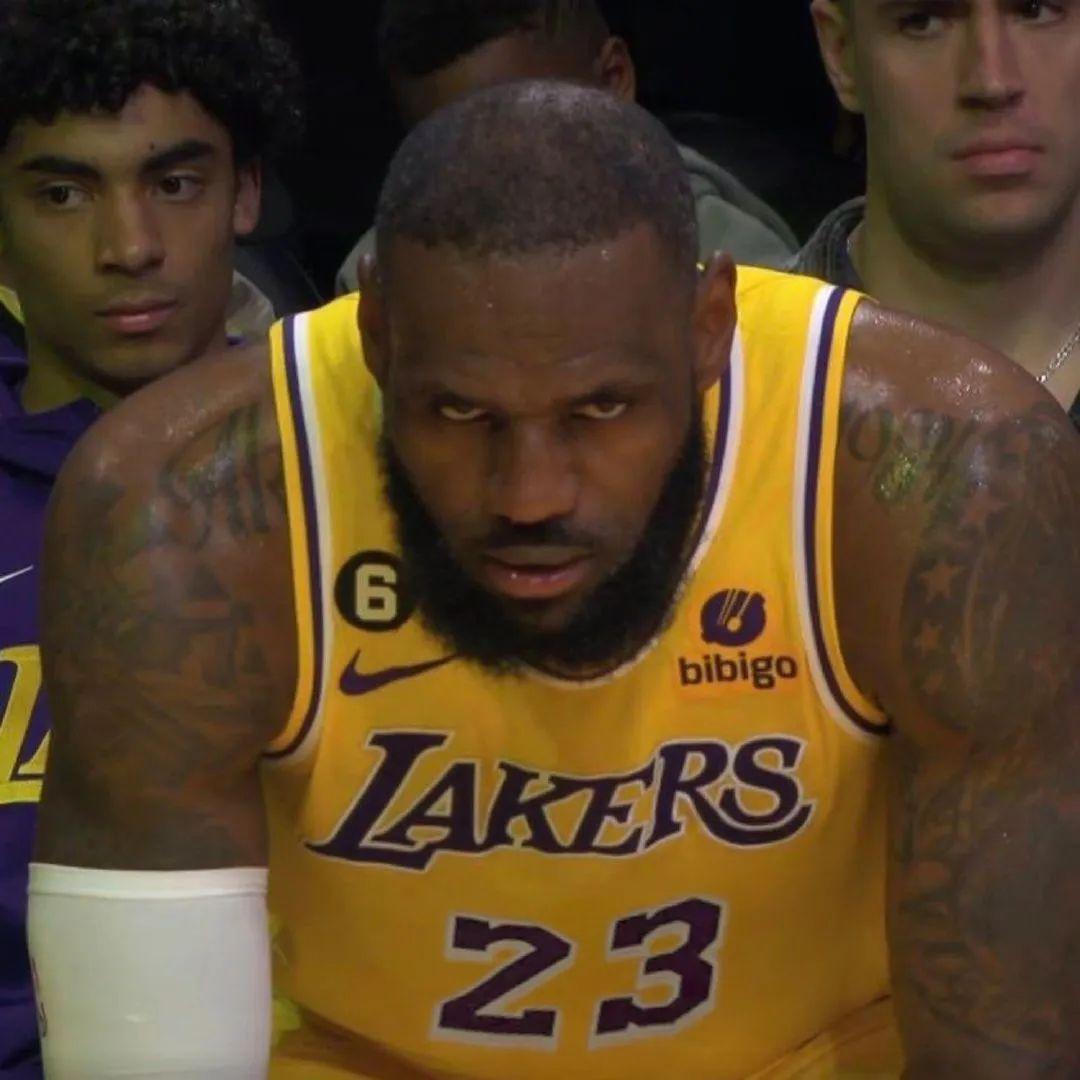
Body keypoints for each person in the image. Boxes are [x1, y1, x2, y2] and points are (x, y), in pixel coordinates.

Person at [30, 82, 1078, 1078]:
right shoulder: (183, 509)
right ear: (379, 339)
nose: (530, 496)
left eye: (601, 410)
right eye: (460, 413)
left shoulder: (940, 477)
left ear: (708, 331)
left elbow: (1001, 1045)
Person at [0, 0, 301, 1072]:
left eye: (174, 184)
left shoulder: (362, 464)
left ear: (245, 191)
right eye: (62, 193)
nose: (128, 248)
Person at [335, 0, 798, 294]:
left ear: (613, 79)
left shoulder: (733, 260)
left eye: (531, 138)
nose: (498, 189)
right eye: (451, 160)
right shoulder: (379, 282)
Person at [797, 0, 1080, 428]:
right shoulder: (724, 386)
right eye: (923, 22)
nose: (992, 82)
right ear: (841, 53)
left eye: (1035, 11)